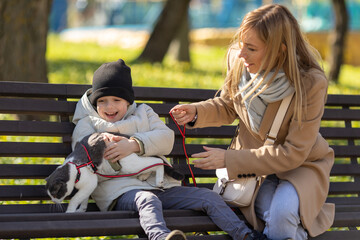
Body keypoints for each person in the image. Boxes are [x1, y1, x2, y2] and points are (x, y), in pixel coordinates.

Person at [170, 4, 335, 240]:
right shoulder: (240, 64)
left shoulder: (310, 83)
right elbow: (228, 106)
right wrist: (196, 112)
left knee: (282, 215)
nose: (241, 54)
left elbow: (294, 152)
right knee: (278, 219)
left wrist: (229, 159)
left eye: (251, 48)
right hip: (257, 172)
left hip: (300, 166)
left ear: (280, 51)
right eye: (241, 44)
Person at [71, 59, 268, 240]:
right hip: (120, 192)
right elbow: (84, 152)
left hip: (161, 186)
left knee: (208, 197)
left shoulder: (144, 113)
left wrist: (133, 144)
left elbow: (166, 139)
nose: (109, 106)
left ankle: (245, 236)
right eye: (102, 101)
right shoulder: (87, 123)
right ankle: (161, 237)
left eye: (116, 100)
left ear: (128, 101)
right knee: (147, 200)